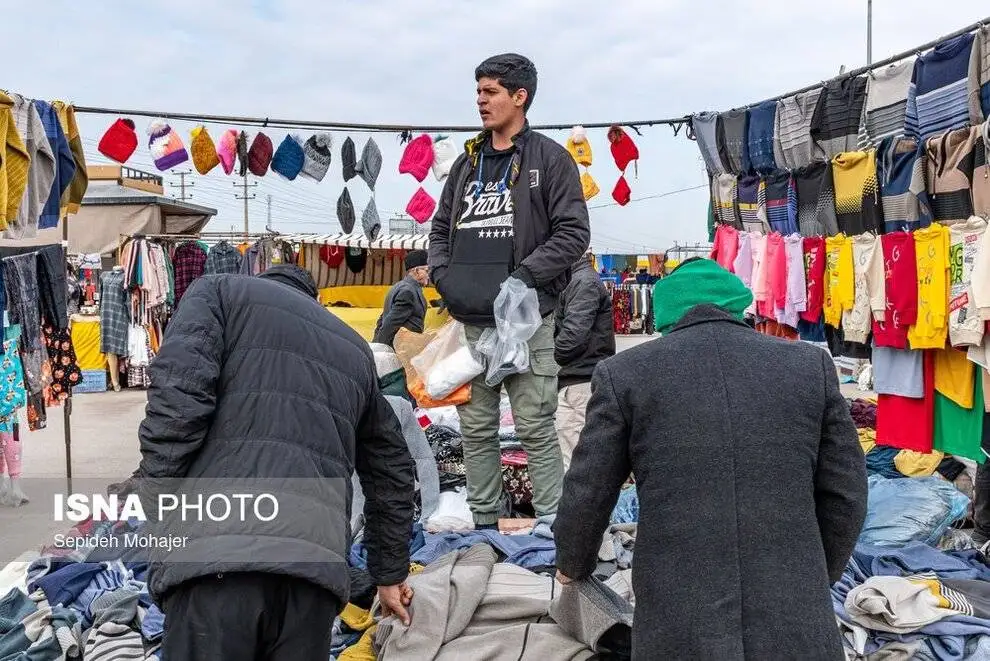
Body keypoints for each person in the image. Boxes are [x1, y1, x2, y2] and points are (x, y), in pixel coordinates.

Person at [553, 258, 868, 660]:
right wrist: (812, 573)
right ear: (738, 306)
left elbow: (588, 491)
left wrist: (573, 564)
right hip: (793, 614)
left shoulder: (625, 374)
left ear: (665, 312)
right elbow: (847, 493)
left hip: (678, 616)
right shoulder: (809, 367)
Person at [131, 264, 417, 661]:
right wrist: (389, 573)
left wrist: (154, 496)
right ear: (313, 300)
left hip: (217, 562)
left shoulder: (218, 294)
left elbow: (179, 404)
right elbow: (392, 469)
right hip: (311, 579)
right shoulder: (353, 349)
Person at [428, 53, 590, 529]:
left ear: (520, 97)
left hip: (529, 322)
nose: (481, 100)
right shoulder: (466, 163)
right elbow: (440, 228)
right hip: (473, 323)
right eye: (478, 91)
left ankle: (551, 527)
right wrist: (443, 274)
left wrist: (524, 277)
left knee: (535, 426)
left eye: (491, 91)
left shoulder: (550, 159)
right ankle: (482, 524)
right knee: (475, 428)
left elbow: (573, 233)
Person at [553, 250, 615, 471]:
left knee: (581, 463)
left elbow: (573, 338)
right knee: (578, 460)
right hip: (579, 380)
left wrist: (551, 354)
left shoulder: (583, 283)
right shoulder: (579, 281)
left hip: (581, 382)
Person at [373, 250, 430, 347]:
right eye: (426, 271)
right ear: (416, 271)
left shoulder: (399, 286)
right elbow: (390, 324)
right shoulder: (408, 292)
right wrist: (380, 348)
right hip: (400, 350)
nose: (429, 275)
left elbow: (382, 320)